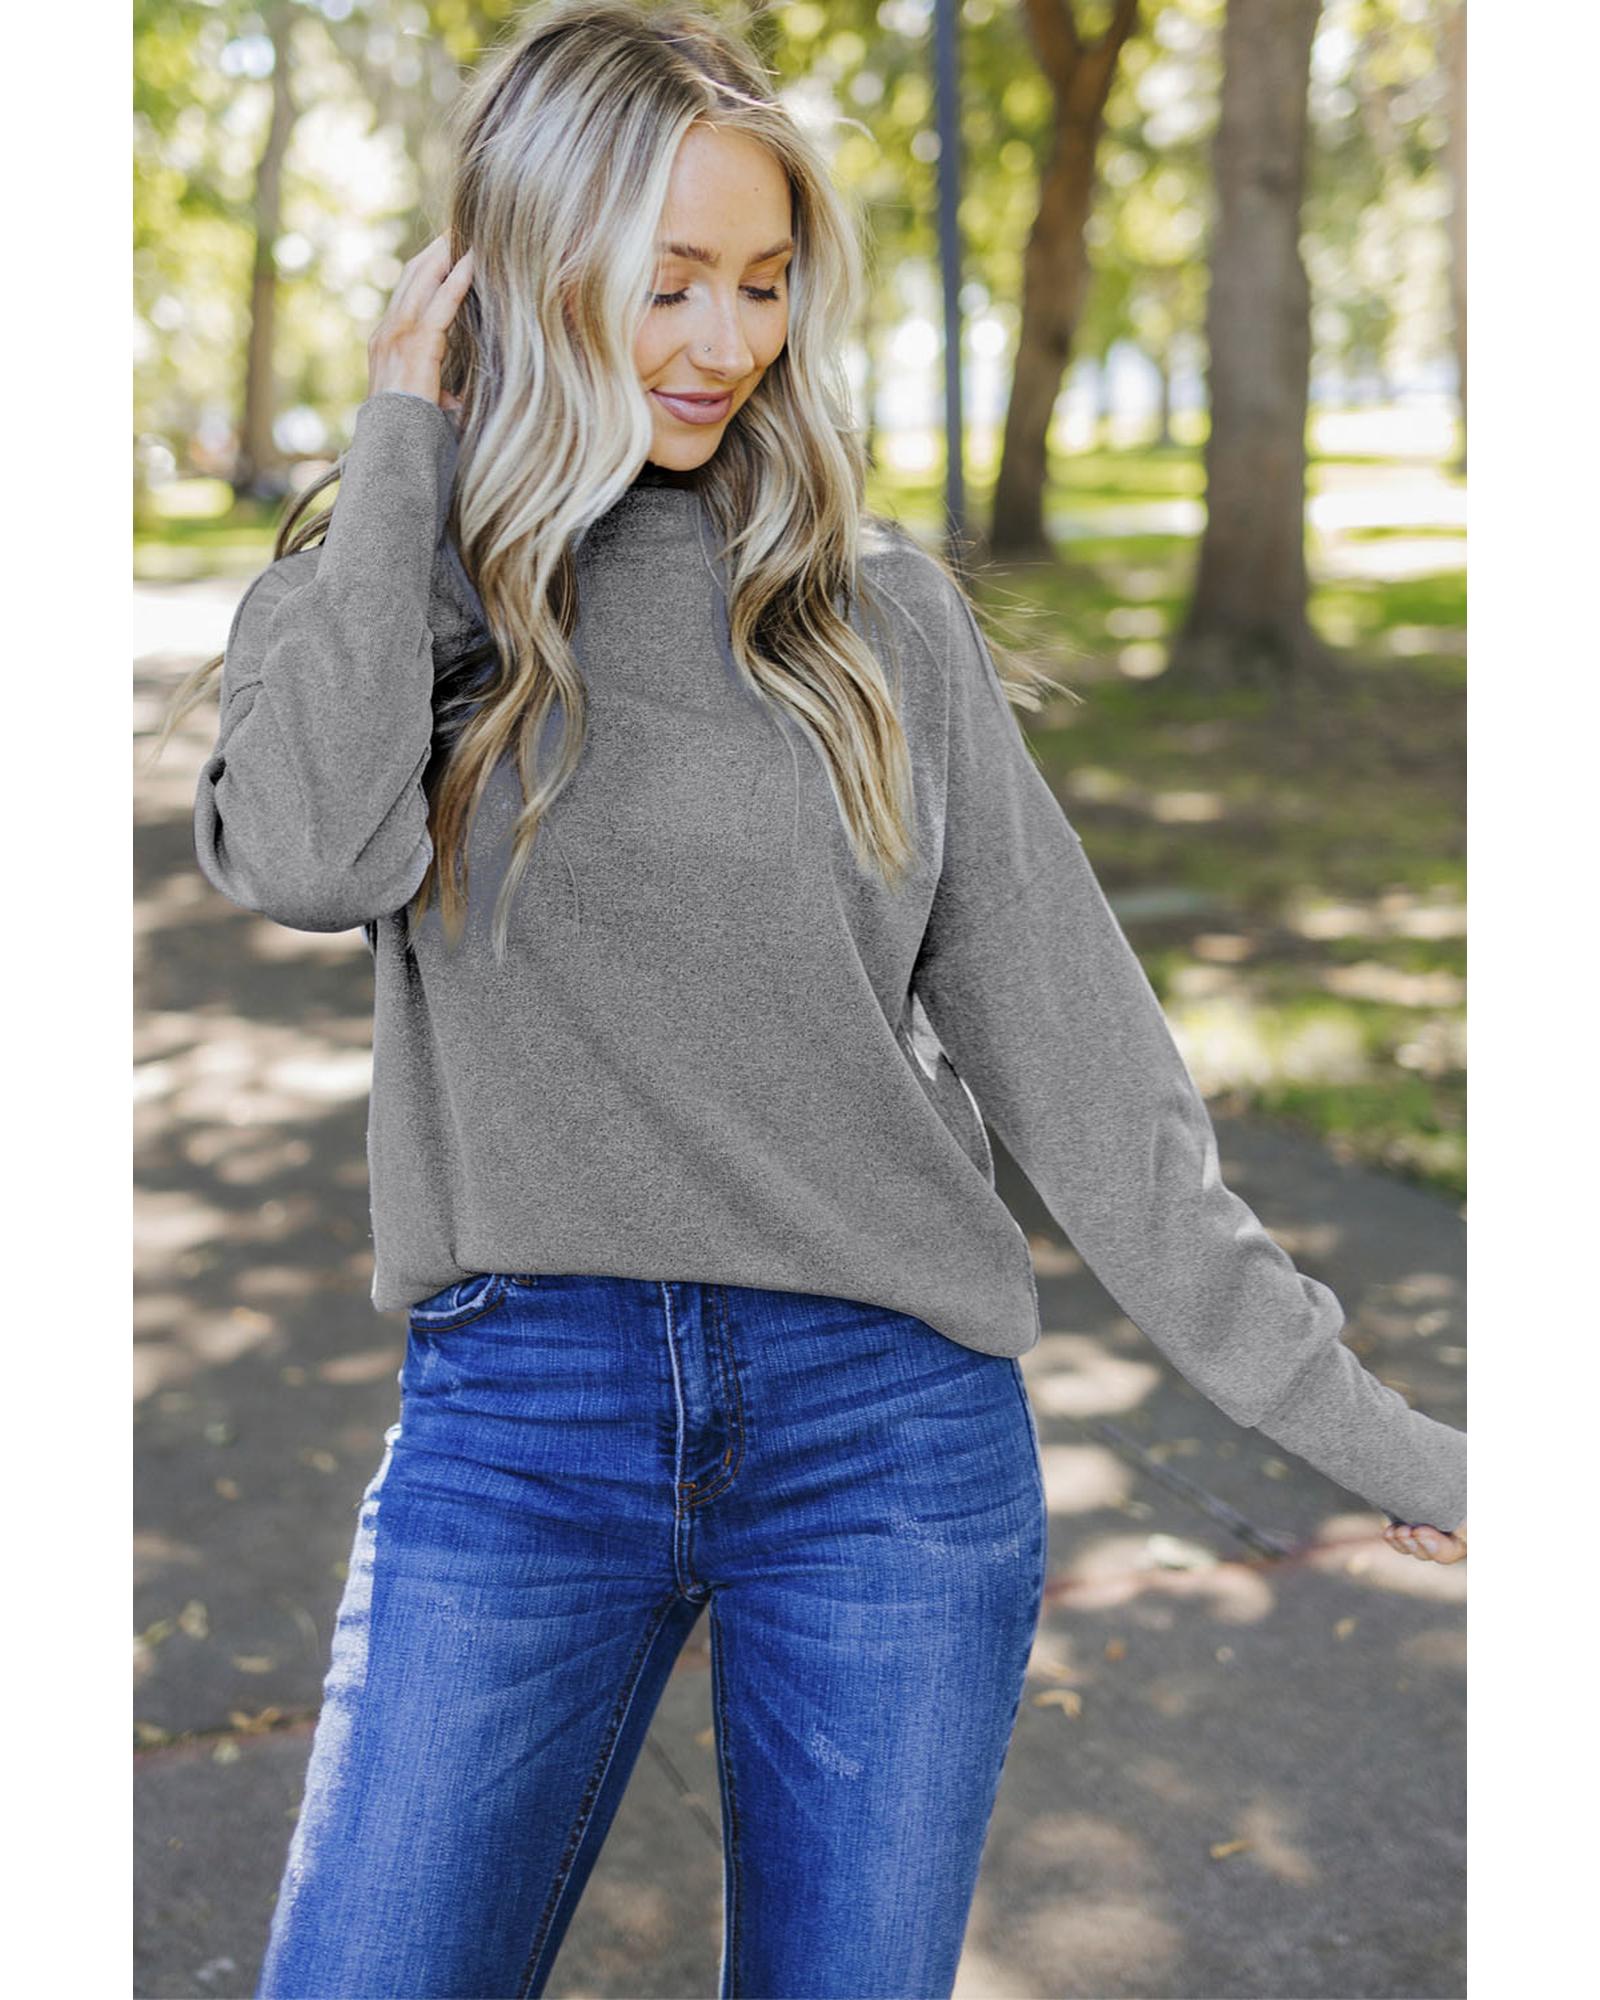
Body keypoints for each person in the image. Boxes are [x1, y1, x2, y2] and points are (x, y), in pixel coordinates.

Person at [162, 3, 1465, 1994]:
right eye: (665, 278)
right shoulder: (386, 601)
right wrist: (408, 439)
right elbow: (308, 859)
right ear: (518, 272)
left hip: (888, 1436)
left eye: (763, 282)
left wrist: (1369, 1433)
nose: (724, 340)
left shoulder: (874, 622)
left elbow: (1092, 1083)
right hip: (522, 1424)